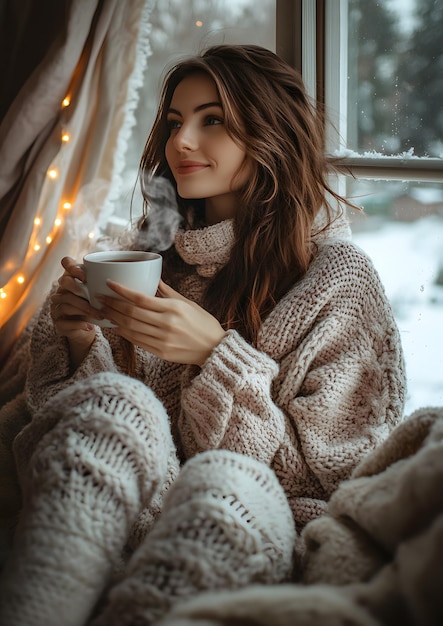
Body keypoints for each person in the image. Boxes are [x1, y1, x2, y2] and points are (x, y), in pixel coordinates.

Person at [0, 44, 406, 626]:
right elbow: (78, 433)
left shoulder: (336, 279)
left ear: (270, 134)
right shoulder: (146, 251)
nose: (181, 140)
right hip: (128, 508)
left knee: (220, 481)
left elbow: (340, 483)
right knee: (120, 400)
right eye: (173, 121)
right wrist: (78, 343)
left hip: (258, 516)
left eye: (211, 120)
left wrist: (217, 358)